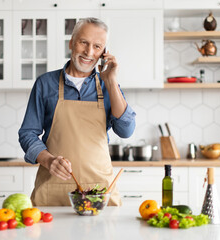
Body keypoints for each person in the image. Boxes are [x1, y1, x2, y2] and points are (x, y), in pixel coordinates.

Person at [18, 17, 136, 206]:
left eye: (97, 47)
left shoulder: (108, 87)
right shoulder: (45, 84)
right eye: (84, 43)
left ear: (104, 52)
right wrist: (49, 161)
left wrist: (112, 81)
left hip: (99, 192)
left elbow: (126, 130)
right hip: (53, 189)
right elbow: (27, 134)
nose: (89, 52)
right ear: (72, 43)